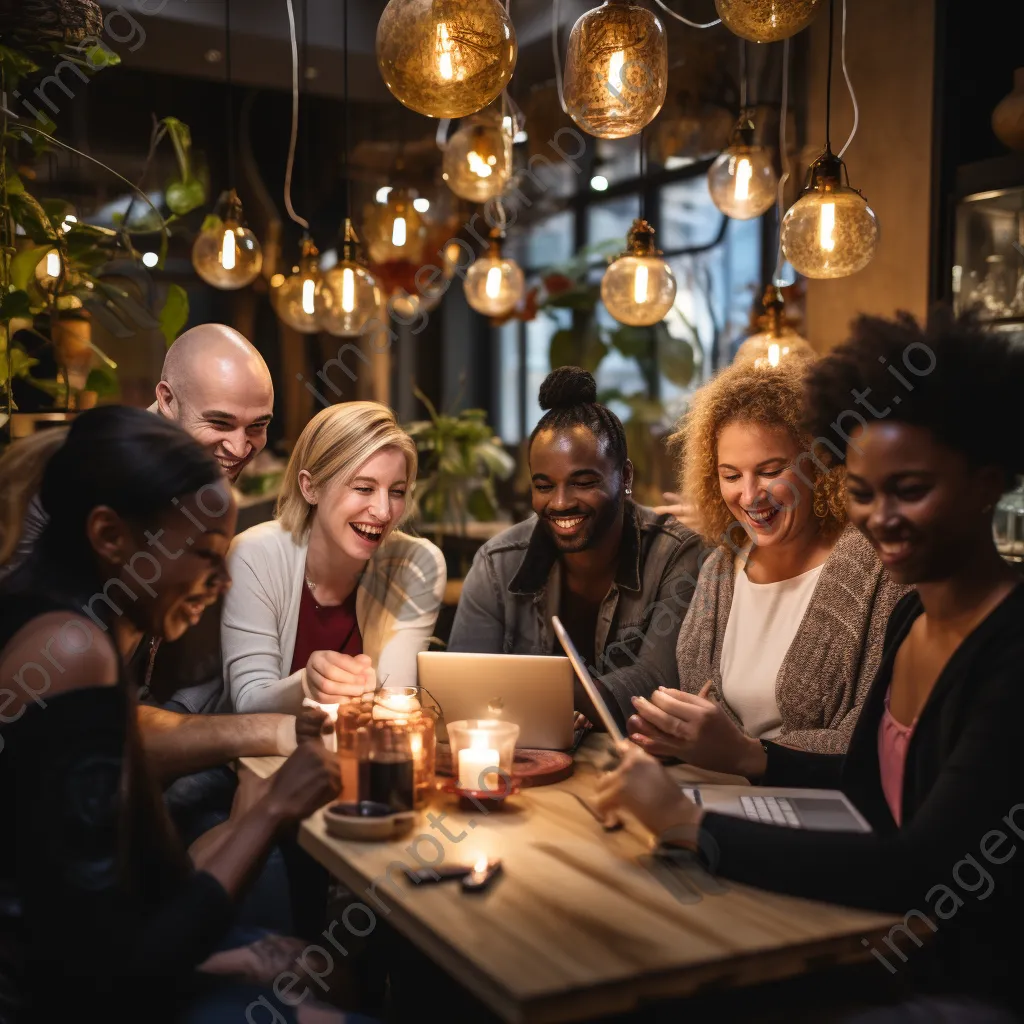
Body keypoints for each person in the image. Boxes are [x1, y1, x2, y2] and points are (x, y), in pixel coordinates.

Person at [596, 310, 1024, 1019]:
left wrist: (690, 826)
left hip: (967, 981)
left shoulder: (1009, 652)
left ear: (987, 483)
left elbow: (918, 867)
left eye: (910, 490)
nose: (879, 518)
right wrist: (746, 762)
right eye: (863, 492)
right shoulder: (915, 620)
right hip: (886, 944)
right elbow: (853, 783)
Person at [0, 406, 352, 1023]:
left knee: (322, 970)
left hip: (97, 974)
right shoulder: (71, 651)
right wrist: (271, 809)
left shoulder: (61, 619)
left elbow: (91, 923)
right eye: (202, 555)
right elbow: (102, 969)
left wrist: (225, 960)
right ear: (110, 537)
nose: (221, 583)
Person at [628, 358, 905, 766]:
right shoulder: (720, 569)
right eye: (731, 475)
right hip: (713, 794)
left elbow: (875, 743)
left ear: (819, 464)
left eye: (771, 470)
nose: (750, 495)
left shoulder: (876, 570)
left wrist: (750, 756)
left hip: (820, 810)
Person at [447, 367, 703, 729]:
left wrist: (510, 695)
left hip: (641, 765)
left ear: (625, 477)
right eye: (544, 485)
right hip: (528, 760)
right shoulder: (497, 562)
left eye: (583, 482)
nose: (561, 502)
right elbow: (460, 684)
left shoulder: (677, 554)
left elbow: (657, 683)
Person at [221, 402, 446, 714]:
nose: (383, 512)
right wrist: (305, 685)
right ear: (310, 487)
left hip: (362, 751)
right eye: (364, 488)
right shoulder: (254, 555)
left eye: (397, 491)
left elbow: (394, 702)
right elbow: (247, 703)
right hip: (271, 758)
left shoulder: (416, 564)